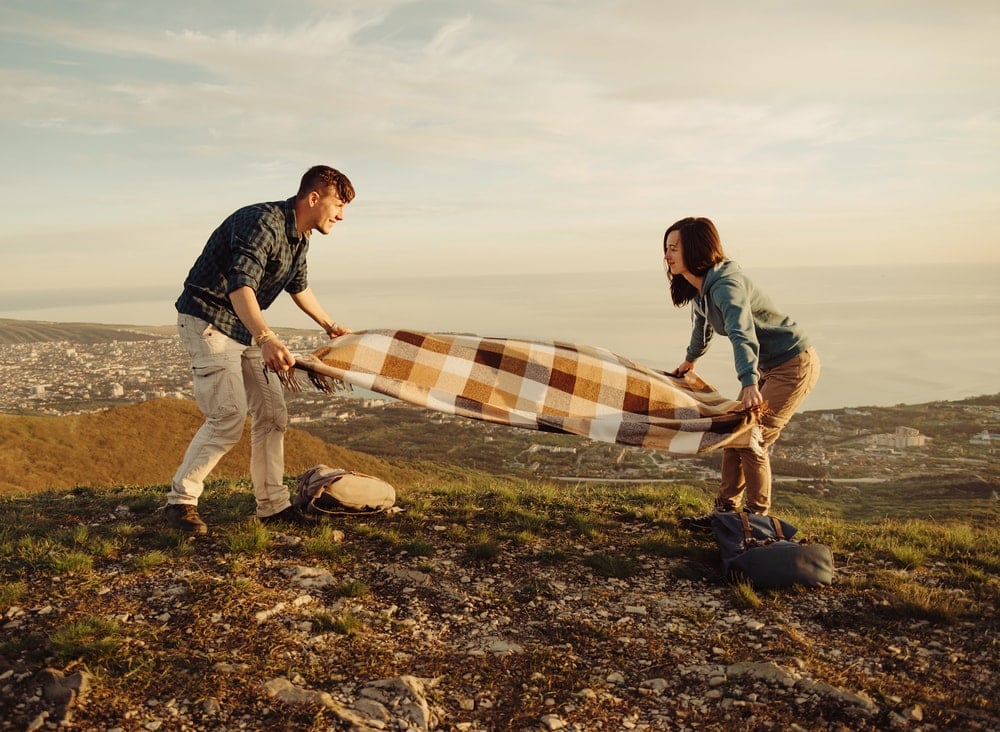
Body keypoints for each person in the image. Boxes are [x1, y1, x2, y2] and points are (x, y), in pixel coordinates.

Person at [163, 165, 356, 534]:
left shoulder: (299, 236)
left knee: (271, 414)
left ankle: (273, 506)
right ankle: (180, 502)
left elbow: (298, 286)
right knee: (228, 416)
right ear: (313, 198)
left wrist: (330, 326)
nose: (342, 215)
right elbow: (240, 287)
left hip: (242, 325)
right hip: (207, 320)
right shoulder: (261, 223)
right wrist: (267, 338)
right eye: (338, 205)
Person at [662, 217, 820, 530]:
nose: (667, 255)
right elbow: (702, 325)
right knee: (735, 434)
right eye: (666, 248)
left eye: (674, 248)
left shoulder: (725, 285)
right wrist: (690, 360)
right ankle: (726, 516)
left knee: (753, 438)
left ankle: (757, 522)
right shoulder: (701, 287)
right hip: (769, 366)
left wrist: (748, 382)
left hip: (793, 364)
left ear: (695, 250)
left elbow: (741, 332)